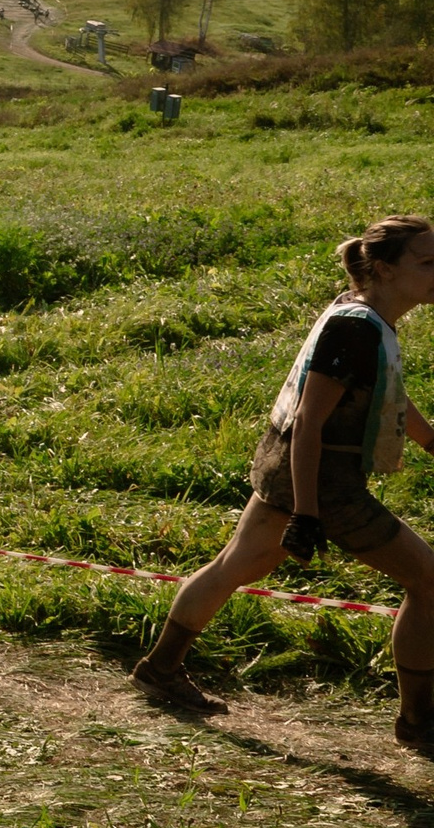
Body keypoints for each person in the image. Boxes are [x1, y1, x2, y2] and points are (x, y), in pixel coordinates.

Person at [133, 216, 434, 750]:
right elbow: (310, 425)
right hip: (324, 483)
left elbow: (385, 392)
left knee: (233, 566)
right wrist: (308, 513)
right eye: (428, 263)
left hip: (288, 470)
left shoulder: (364, 316)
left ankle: (160, 668)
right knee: (431, 582)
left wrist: (430, 442)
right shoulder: (356, 328)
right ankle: (418, 724)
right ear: (385, 270)